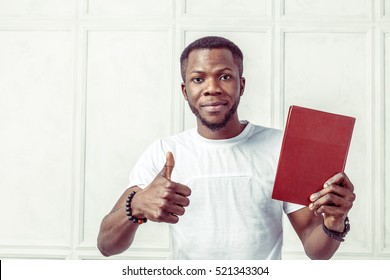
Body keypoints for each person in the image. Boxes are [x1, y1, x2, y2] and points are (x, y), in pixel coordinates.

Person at [97, 36, 356, 259]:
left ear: (241, 85)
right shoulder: (164, 151)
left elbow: (316, 249)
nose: (212, 88)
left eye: (224, 76)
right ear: (185, 91)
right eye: (198, 79)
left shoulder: (282, 147)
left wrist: (334, 223)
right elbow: (106, 245)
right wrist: (136, 205)